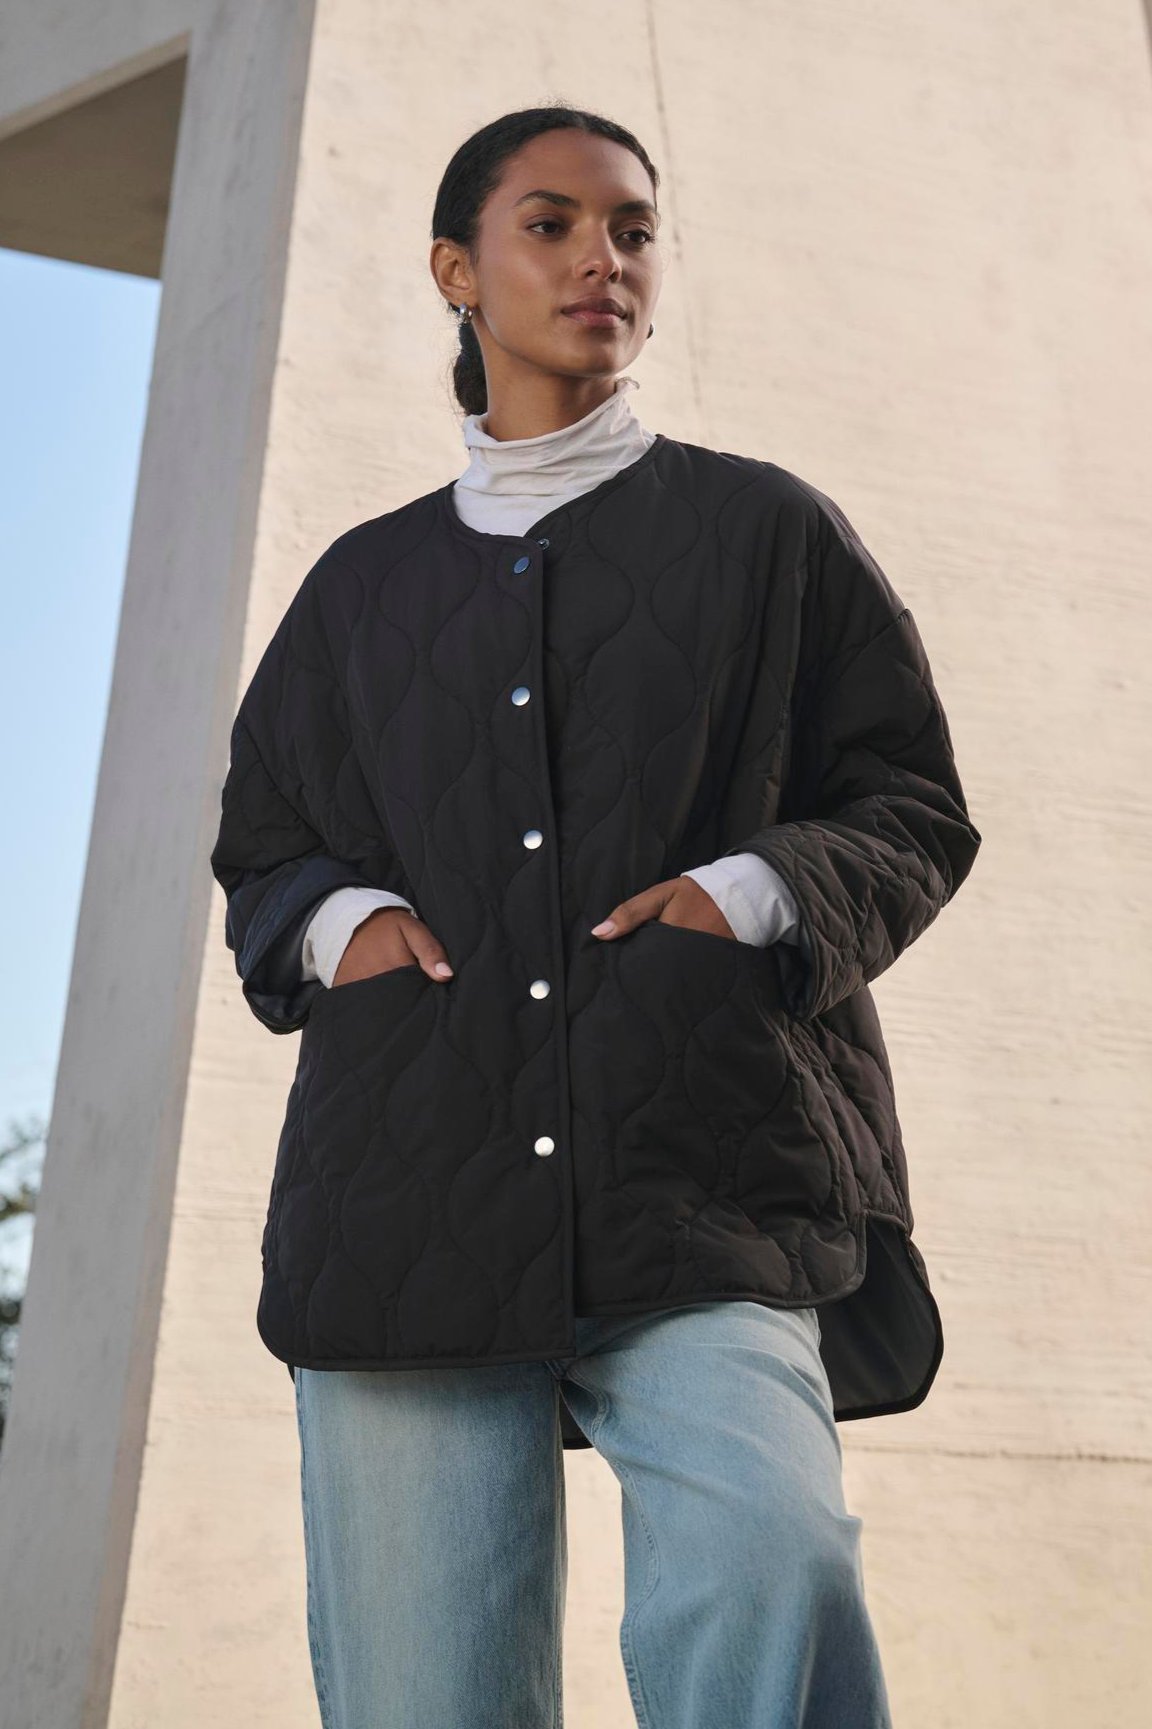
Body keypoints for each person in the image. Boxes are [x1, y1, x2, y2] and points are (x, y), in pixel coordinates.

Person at [210, 102, 981, 1729]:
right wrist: (337, 919)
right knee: (428, 1697)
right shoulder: (358, 589)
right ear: (456, 271)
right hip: (410, 1191)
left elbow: (909, 797)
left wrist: (750, 890)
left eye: (632, 227)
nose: (602, 260)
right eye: (551, 224)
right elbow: (264, 839)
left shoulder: (768, 532)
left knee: (778, 1566)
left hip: (705, 1169)